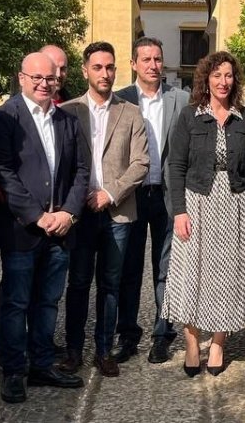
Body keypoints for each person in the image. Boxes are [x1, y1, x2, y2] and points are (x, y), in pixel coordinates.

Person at [0, 52, 89, 404]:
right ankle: (14, 369)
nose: (45, 84)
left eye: (51, 78)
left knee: (48, 301)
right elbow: (2, 172)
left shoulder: (66, 120)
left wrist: (68, 213)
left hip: (61, 230)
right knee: (16, 302)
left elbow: (81, 171)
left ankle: (42, 363)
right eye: (37, 78)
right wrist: (36, 215)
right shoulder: (3, 118)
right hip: (23, 230)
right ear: (21, 78)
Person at [60, 42, 150, 378]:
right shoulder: (68, 111)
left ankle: (103, 350)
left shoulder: (130, 112)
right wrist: (81, 196)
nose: (105, 73)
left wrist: (109, 193)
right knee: (79, 283)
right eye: (97, 67)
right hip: (80, 213)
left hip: (117, 213)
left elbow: (141, 162)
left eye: (110, 67)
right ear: (85, 70)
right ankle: (73, 351)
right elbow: (62, 164)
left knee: (111, 284)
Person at [163, 51, 245, 377]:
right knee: (192, 274)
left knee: (226, 274)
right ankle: (191, 342)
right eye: (217, 75)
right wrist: (179, 212)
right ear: (206, 79)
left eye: (228, 75)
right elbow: (176, 166)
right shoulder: (190, 116)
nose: (223, 82)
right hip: (197, 201)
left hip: (233, 203)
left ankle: (218, 342)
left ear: (235, 79)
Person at [114, 37, 190, 365]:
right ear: (134, 64)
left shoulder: (181, 99)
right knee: (129, 269)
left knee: (167, 268)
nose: (152, 65)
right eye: (145, 59)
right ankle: (128, 334)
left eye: (157, 59)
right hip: (131, 198)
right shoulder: (120, 100)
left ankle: (163, 333)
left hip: (167, 196)